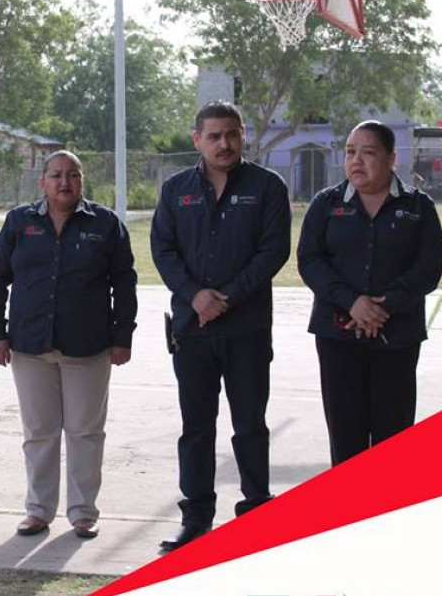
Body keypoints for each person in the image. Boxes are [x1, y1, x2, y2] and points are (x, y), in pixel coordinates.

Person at [150, 101, 291, 552]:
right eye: (214, 136)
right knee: (196, 428)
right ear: (197, 140)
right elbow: (163, 249)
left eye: (231, 134)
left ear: (243, 134)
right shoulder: (175, 189)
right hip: (192, 330)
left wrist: (225, 297)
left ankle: (256, 511)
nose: (224, 143)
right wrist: (196, 296)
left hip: (246, 329)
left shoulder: (268, 187)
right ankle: (196, 519)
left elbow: (273, 252)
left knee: (250, 424)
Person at [0, 150, 137, 539]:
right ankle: (38, 510)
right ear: (43, 182)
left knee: (85, 431)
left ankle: (83, 511)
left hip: (89, 347)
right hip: (30, 345)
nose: (64, 182)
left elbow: (125, 283)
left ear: (82, 181)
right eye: (56, 175)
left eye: (72, 175)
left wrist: (122, 337)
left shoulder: (105, 224)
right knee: (39, 432)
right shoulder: (20, 222)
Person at [297, 120, 442, 466]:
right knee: (345, 437)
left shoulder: (419, 208)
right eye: (350, 152)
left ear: (392, 158)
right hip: (337, 336)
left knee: (392, 437)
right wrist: (352, 303)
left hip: (397, 338)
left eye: (368, 152)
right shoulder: (326, 204)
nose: (356, 161)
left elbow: (428, 269)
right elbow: (310, 261)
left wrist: (383, 307)